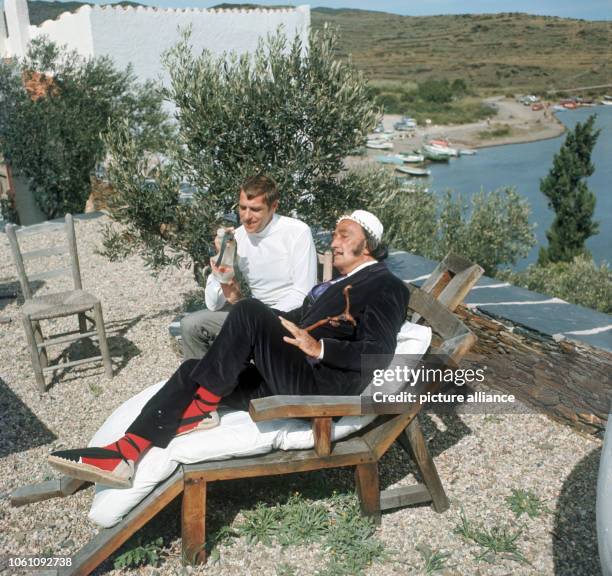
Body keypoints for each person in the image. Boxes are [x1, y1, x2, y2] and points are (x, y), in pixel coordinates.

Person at [48, 210, 410, 489]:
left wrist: (320, 348)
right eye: (334, 234)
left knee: (246, 320)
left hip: (322, 391)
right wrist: (235, 296)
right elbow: (281, 319)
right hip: (294, 373)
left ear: (370, 244)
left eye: (344, 235)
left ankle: (201, 407)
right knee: (192, 368)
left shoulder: (387, 285)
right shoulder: (337, 284)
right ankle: (123, 455)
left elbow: (378, 351)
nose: (334, 241)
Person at [180, 174, 318, 359]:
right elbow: (213, 304)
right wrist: (223, 257)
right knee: (191, 325)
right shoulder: (238, 237)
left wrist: (262, 318)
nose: (246, 217)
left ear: (274, 206)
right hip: (253, 316)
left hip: (290, 319)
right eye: (242, 208)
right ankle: (199, 385)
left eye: (255, 209)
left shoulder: (297, 232)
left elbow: (303, 292)